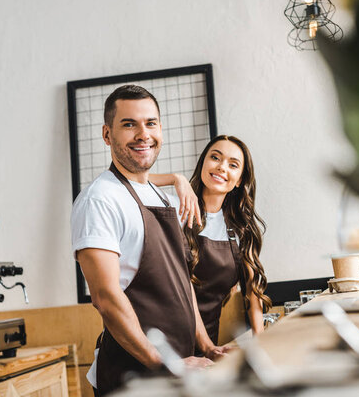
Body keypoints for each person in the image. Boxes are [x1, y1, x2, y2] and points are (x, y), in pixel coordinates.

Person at [71, 85, 226, 395]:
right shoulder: (99, 200)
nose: (143, 134)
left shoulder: (164, 199)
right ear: (106, 134)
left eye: (151, 123)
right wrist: (166, 362)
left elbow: (181, 283)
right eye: (129, 124)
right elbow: (106, 298)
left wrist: (207, 346)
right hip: (135, 379)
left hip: (179, 371)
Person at [151, 135, 272, 345]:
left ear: (240, 180)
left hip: (207, 346)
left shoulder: (239, 230)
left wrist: (260, 342)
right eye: (215, 157)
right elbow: (130, 180)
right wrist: (176, 179)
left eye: (233, 164)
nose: (221, 167)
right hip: (159, 341)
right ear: (203, 164)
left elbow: (252, 294)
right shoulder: (173, 209)